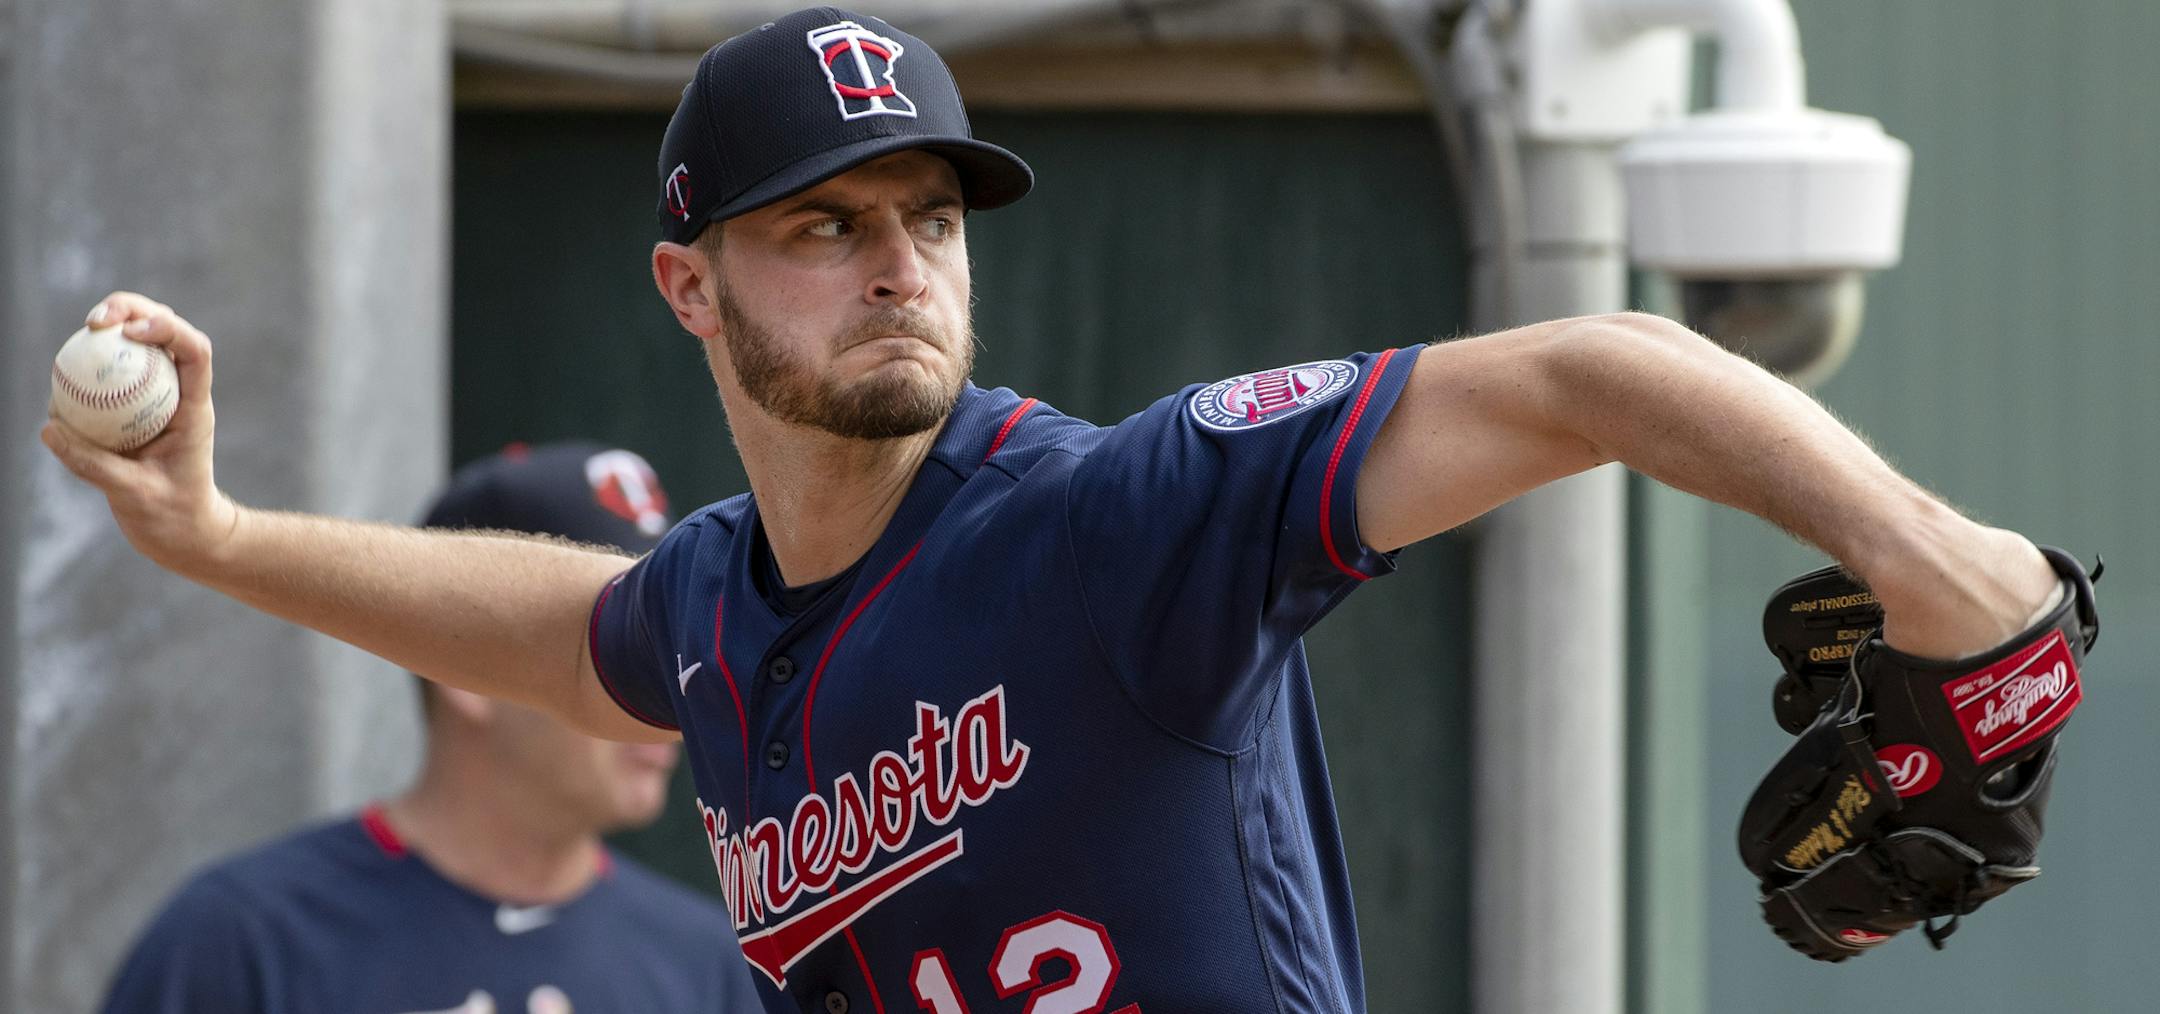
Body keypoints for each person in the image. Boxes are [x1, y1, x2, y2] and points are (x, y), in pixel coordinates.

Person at [45, 6, 2071, 1011]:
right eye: (825, 227)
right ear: (690, 286)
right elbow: (556, 626)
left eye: (928, 217)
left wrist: (1950, 569)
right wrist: (215, 537)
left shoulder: (1119, 515)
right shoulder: (715, 611)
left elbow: (1589, 373)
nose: (897, 264)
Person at [96, 442, 761, 1014]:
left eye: (663, 649)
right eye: (618, 649)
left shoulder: (716, 968)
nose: (666, 696)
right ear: (466, 669)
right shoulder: (240, 940)